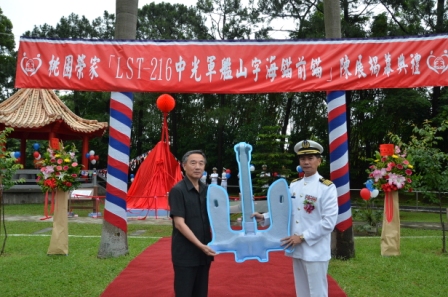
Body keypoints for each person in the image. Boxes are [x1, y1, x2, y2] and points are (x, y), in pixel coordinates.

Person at [252, 140, 338, 297]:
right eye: (302, 159)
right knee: (302, 291)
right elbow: (286, 211)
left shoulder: (326, 187)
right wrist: (264, 217)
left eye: (310, 158)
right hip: (296, 247)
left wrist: (303, 237)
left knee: (317, 292)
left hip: (315, 248)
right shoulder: (294, 185)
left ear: (319, 161)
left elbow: (328, 222)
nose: (306, 162)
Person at [168, 150, 217, 297]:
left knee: (201, 293)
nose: (198, 167)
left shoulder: (207, 190)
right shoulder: (178, 190)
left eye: (201, 163)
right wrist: (200, 245)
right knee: (184, 293)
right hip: (186, 254)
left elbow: (219, 210)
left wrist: (248, 211)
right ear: (184, 166)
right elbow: (179, 224)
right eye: (193, 163)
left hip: (204, 253)